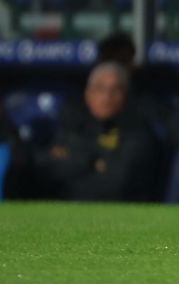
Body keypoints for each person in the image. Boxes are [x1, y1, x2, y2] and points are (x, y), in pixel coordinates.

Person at [40, 60, 164, 201]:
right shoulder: (73, 125)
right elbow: (46, 167)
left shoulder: (139, 133)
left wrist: (72, 158)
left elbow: (118, 182)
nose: (106, 98)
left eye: (115, 90)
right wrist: (91, 162)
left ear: (126, 95)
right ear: (88, 94)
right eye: (100, 89)